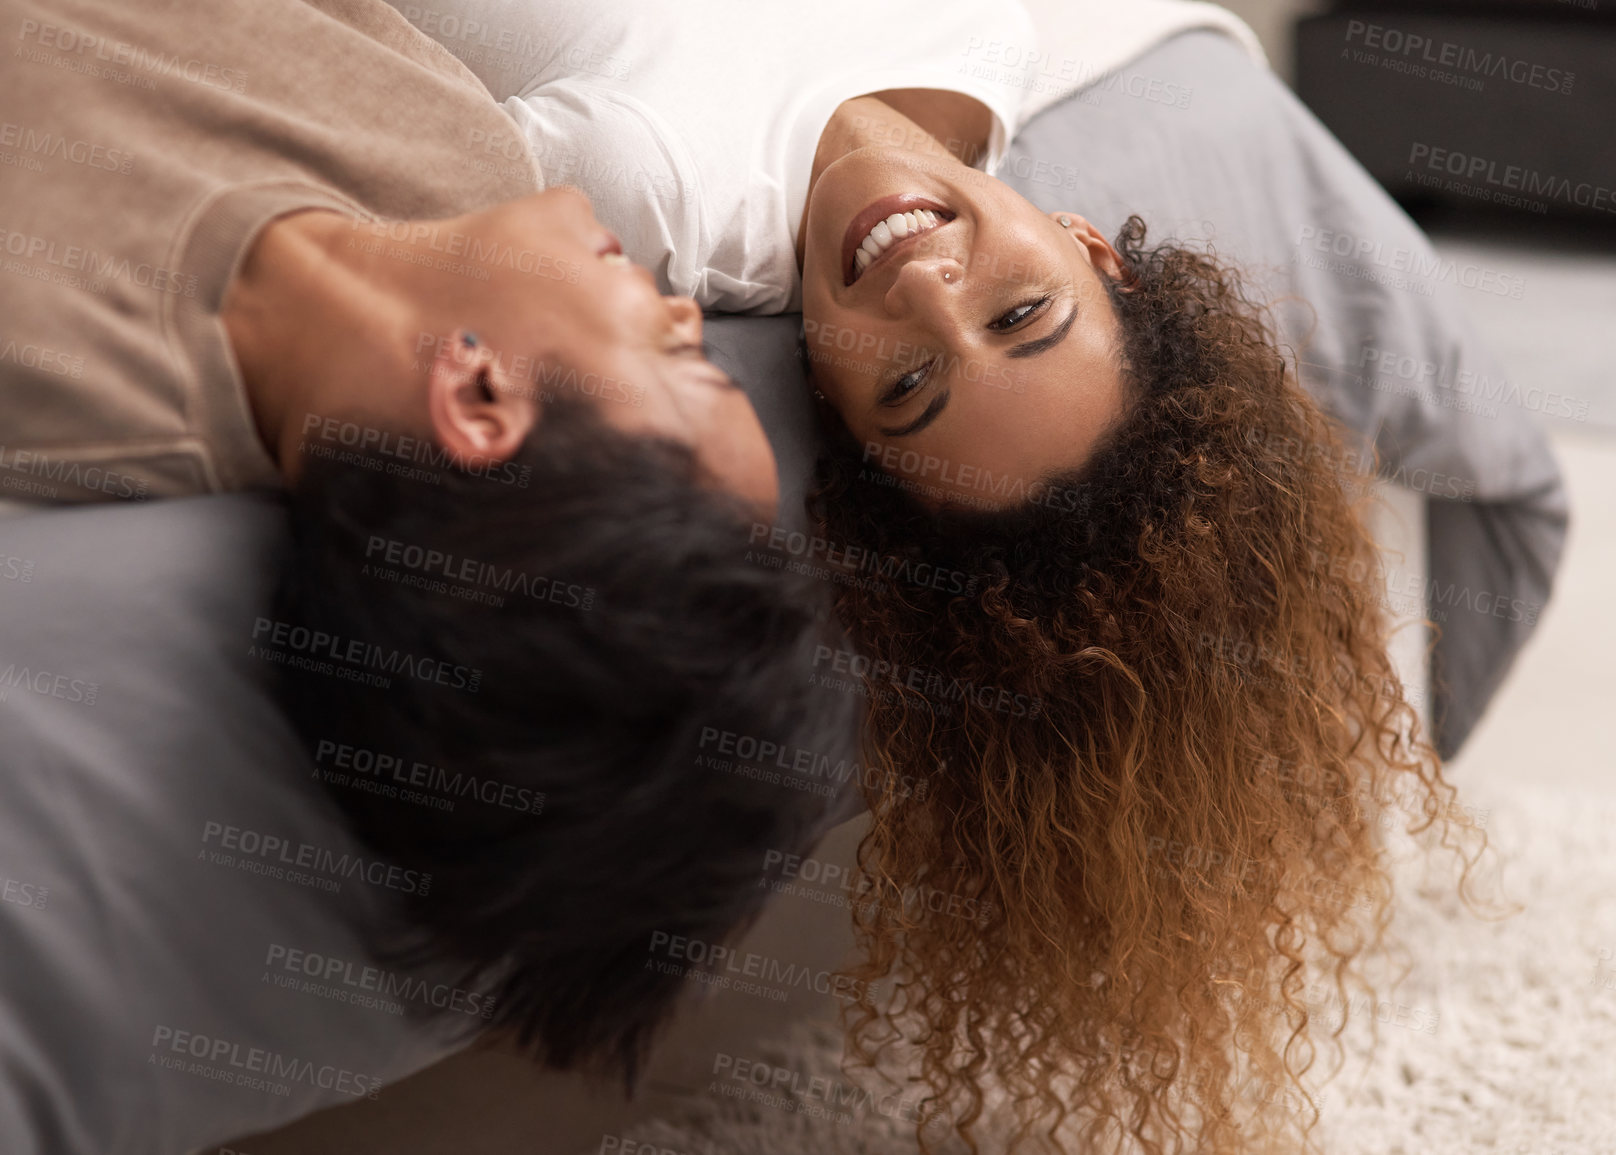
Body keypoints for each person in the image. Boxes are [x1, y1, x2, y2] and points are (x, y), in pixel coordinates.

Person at [401, 2, 1502, 1150]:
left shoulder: (652, 192)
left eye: (910, 387)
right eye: (1024, 314)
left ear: (827, 394)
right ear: (1091, 245)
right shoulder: (995, 43)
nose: (928, 290)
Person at [0, 0, 857, 1098]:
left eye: (685, 367)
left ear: (483, 396)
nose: (692, 318)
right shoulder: (464, 155)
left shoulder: (58, 370)